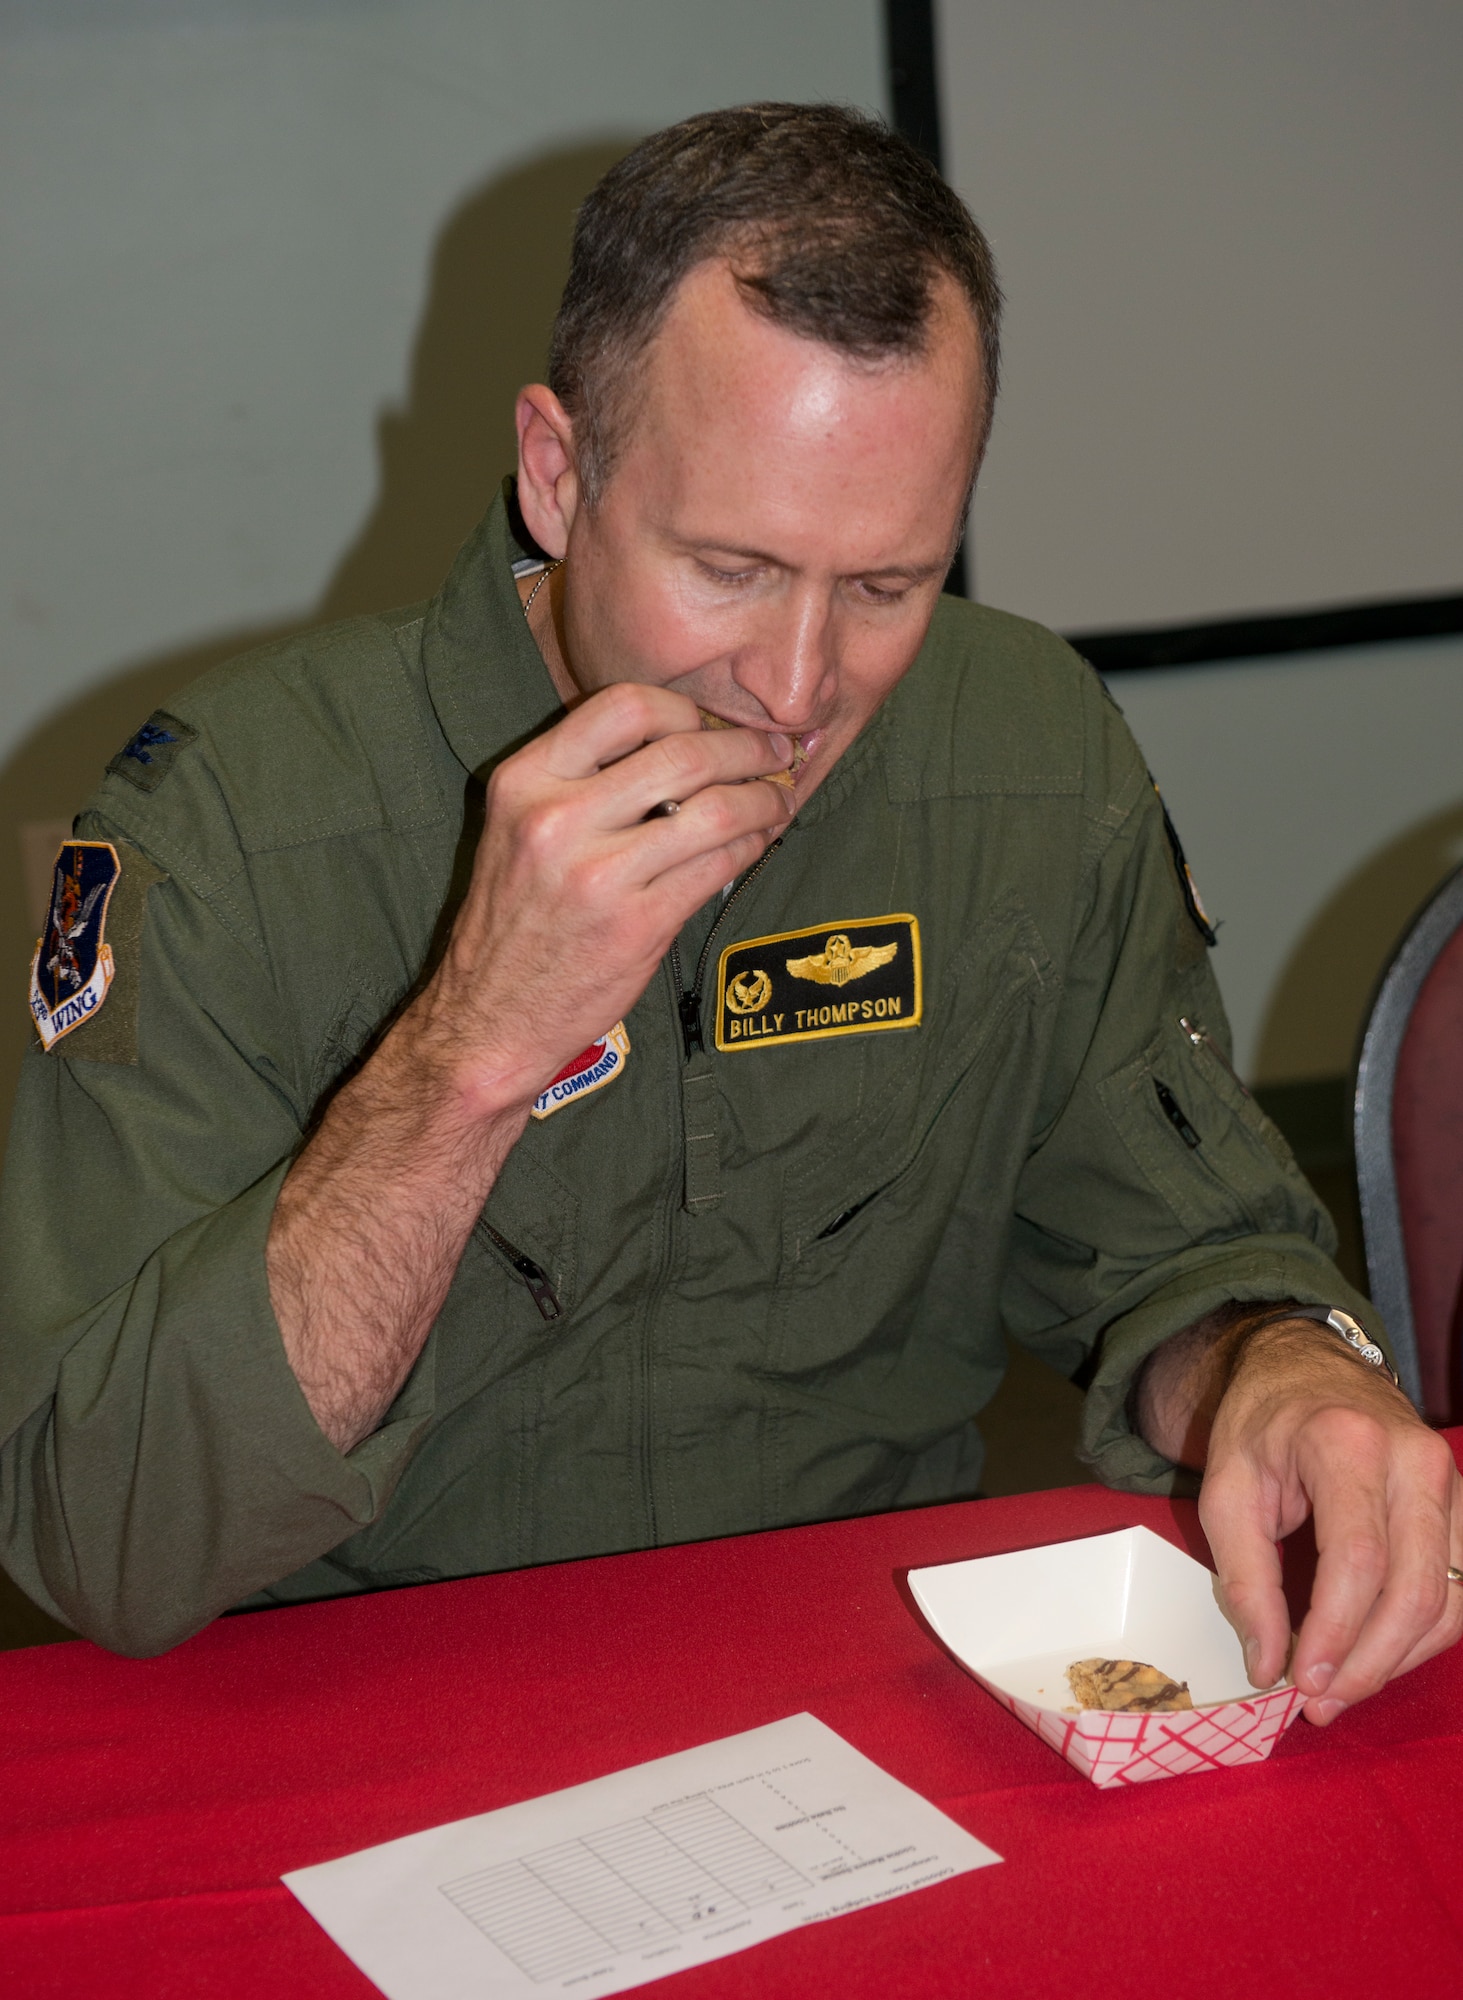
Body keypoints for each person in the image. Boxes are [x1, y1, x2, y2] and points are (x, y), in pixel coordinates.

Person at [2, 106, 1459, 1703]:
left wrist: (1279, 1366)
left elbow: (1172, 1256)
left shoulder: (1027, 757)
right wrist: (472, 1050)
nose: (797, 687)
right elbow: (105, 1538)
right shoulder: (235, 821)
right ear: (558, 475)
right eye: (732, 568)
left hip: (872, 1702)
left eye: (890, 586)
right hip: (365, 1718)